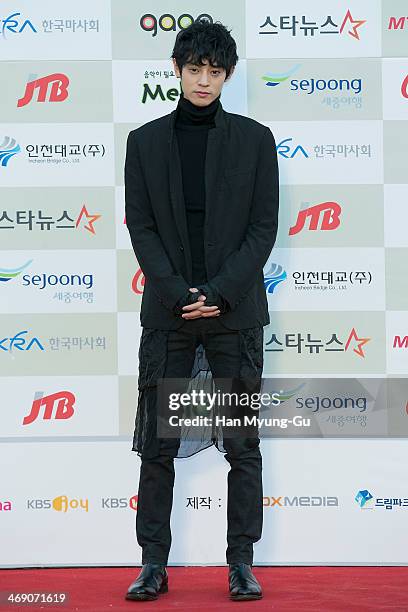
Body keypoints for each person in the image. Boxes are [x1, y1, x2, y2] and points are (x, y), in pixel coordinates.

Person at [124, 19, 279, 602]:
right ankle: (152, 565)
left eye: (215, 72)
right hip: (168, 313)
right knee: (159, 446)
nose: (204, 81)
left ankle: (241, 562)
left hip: (234, 313)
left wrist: (219, 292)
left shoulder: (256, 140)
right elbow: (141, 228)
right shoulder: (143, 143)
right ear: (177, 70)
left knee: (243, 444)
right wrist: (176, 292)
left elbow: (262, 228)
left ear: (228, 75)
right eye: (194, 70)